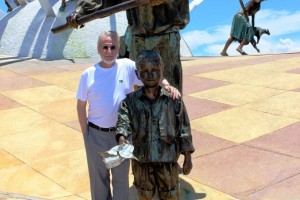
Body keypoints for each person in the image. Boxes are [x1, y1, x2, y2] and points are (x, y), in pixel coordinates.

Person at [76, 31, 180, 200]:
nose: (109, 51)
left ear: (118, 48)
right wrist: (85, 134)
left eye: (113, 47)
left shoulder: (127, 66)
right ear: (98, 49)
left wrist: (168, 86)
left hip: (122, 135)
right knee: (98, 181)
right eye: (105, 47)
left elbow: (151, 73)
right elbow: (81, 106)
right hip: (96, 135)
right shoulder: (88, 74)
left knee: (121, 181)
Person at [115, 50, 194, 200]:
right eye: (144, 71)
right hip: (142, 161)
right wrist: (122, 138)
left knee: (170, 195)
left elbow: (184, 128)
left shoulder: (173, 100)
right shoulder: (130, 101)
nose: (150, 75)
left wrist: (188, 157)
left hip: (167, 160)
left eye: (155, 70)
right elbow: (123, 122)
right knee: (145, 195)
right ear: (137, 75)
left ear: (162, 71)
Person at [67, 0, 189, 93]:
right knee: (141, 91)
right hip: (138, 38)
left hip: (165, 37)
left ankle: (172, 125)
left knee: (170, 92)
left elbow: (181, 15)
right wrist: (81, 11)